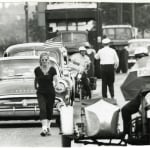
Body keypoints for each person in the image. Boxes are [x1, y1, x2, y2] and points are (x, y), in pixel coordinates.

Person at [121, 47, 149, 137]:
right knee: (125, 110)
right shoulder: (135, 68)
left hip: (143, 95)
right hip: (142, 96)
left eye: (138, 57)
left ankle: (127, 132)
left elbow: (127, 85)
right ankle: (127, 132)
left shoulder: (135, 68)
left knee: (125, 110)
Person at [34, 52, 58, 136]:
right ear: (40, 61)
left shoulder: (52, 69)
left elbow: (55, 79)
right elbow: (36, 80)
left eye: (46, 60)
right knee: (42, 108)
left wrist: (57, 85)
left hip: (50, 92)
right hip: (41, 92)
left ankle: (48, 127)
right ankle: (44, 128)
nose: (44, 61)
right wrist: (36, 87)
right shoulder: (37, 70)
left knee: (49, 110)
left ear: (48, 60)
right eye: (42, 60)